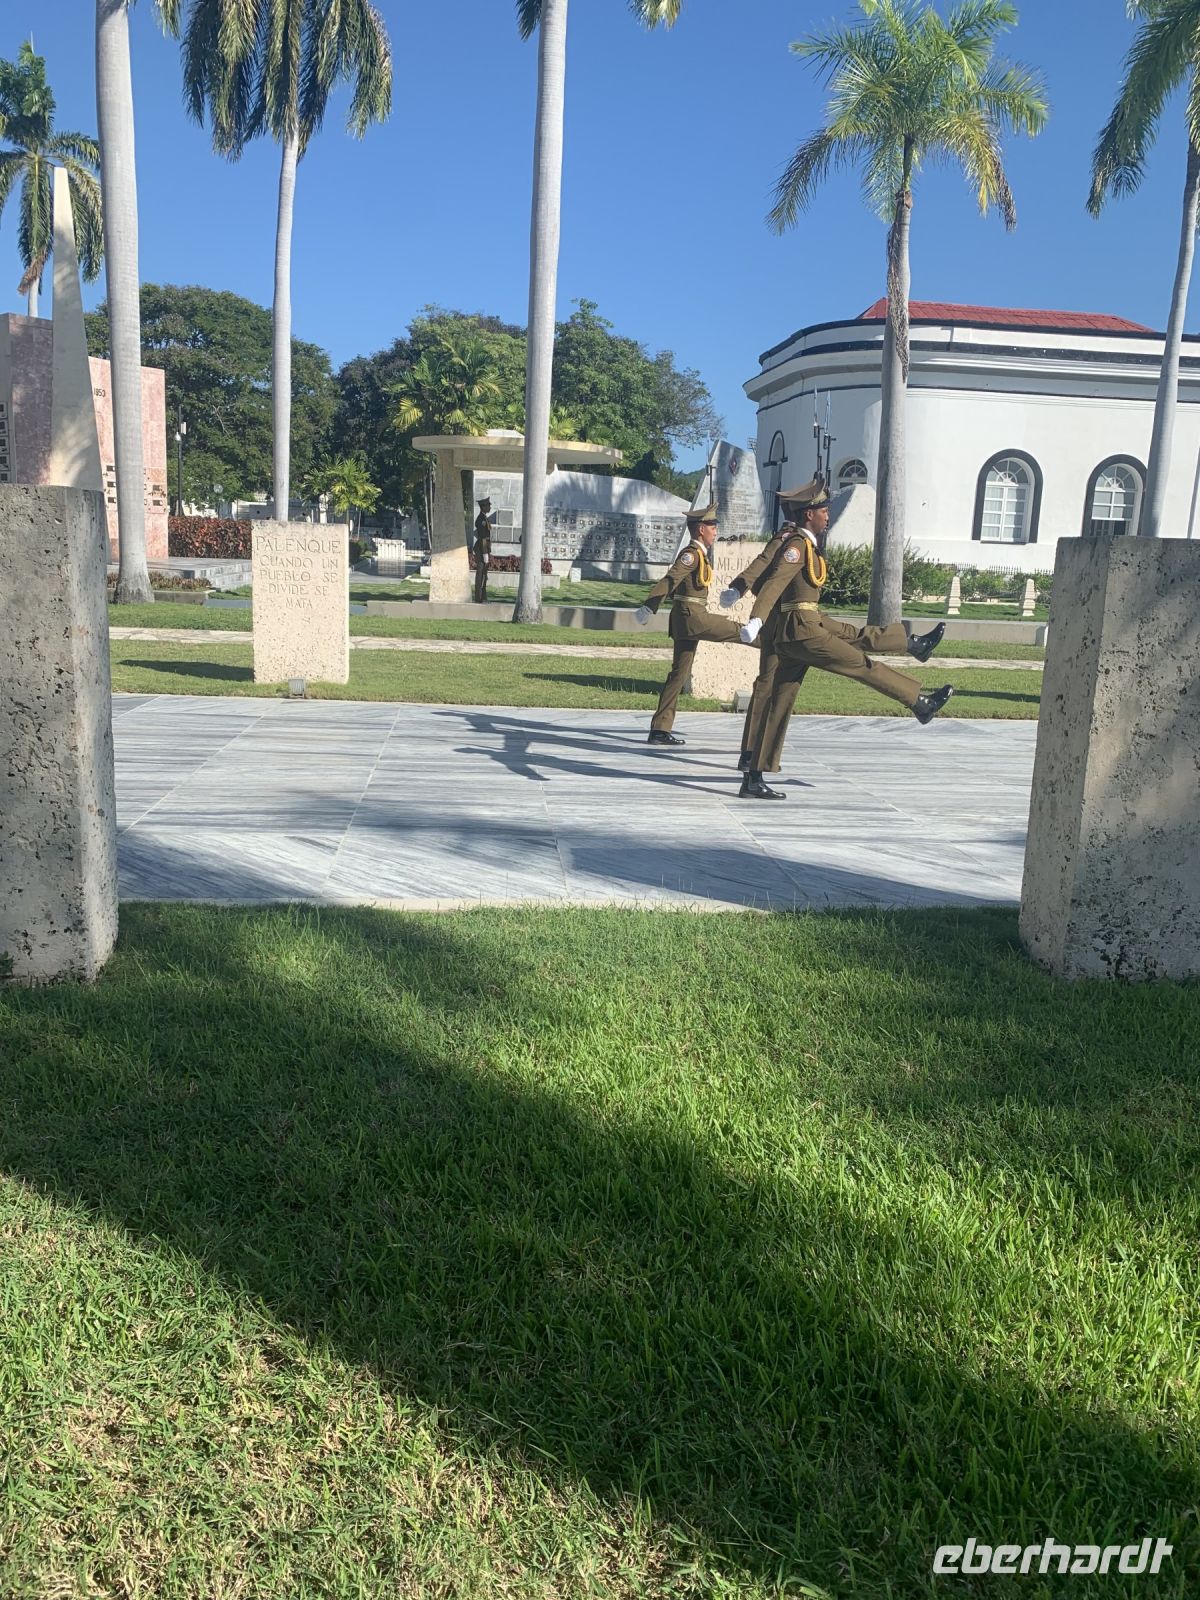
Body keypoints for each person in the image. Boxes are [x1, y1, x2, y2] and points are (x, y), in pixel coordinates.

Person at [737, 479, 951, 799]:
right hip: (803, 632)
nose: (827, 515)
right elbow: (772, 584)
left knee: (780, 701)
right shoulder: (796, 546)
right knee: (861, 665)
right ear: (809, 515)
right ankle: (919, 702)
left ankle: (753, 778)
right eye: (823, 510)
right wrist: (756, 618)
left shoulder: (806, 544)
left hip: (803, 627)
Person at [635, 504, 746, 746]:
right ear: (700, 530)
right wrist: (649, 606)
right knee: (738, 630)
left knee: (679, 674)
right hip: (691, 617)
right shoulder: (691, 555)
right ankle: (769, 638)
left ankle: (659, 730)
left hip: (691, 616)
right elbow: (671, 579)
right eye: (712, 526)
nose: (715, 531)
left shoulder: (700, 554)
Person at [472, 498, 493, 603]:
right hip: (481, 549)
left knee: (484, 573)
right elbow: (483, 538)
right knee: (480, 573)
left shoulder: (484, 518)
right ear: (483, 506)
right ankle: (478, 597)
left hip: (484, 548)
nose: (490, 507)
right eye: (488, 505)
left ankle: (483, 596)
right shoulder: (481, 520)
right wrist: (485, 553)